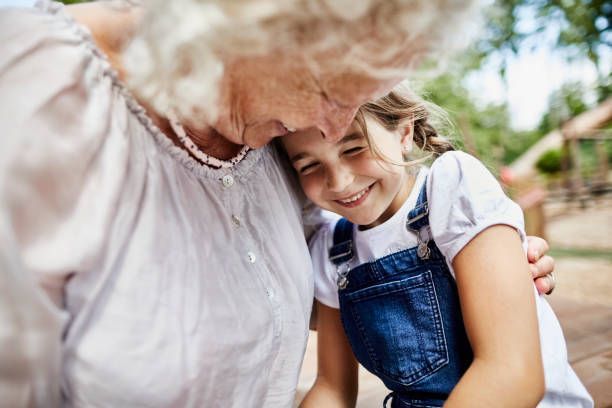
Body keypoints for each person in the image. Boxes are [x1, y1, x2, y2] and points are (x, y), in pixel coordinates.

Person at [0, 0, 557, 406]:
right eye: (332, 89)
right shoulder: (34, 87)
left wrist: (480, 272)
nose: (333, 128)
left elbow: (291, 298)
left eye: (363, 98)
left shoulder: (274, 130)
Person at [280, 90, 592, 407]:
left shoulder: (452, 187)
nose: (339, 181)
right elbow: (333, 389)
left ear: (403, 132)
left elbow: (512, 375)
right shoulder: (333, 251)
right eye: (309, 166)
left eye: (354, 148)